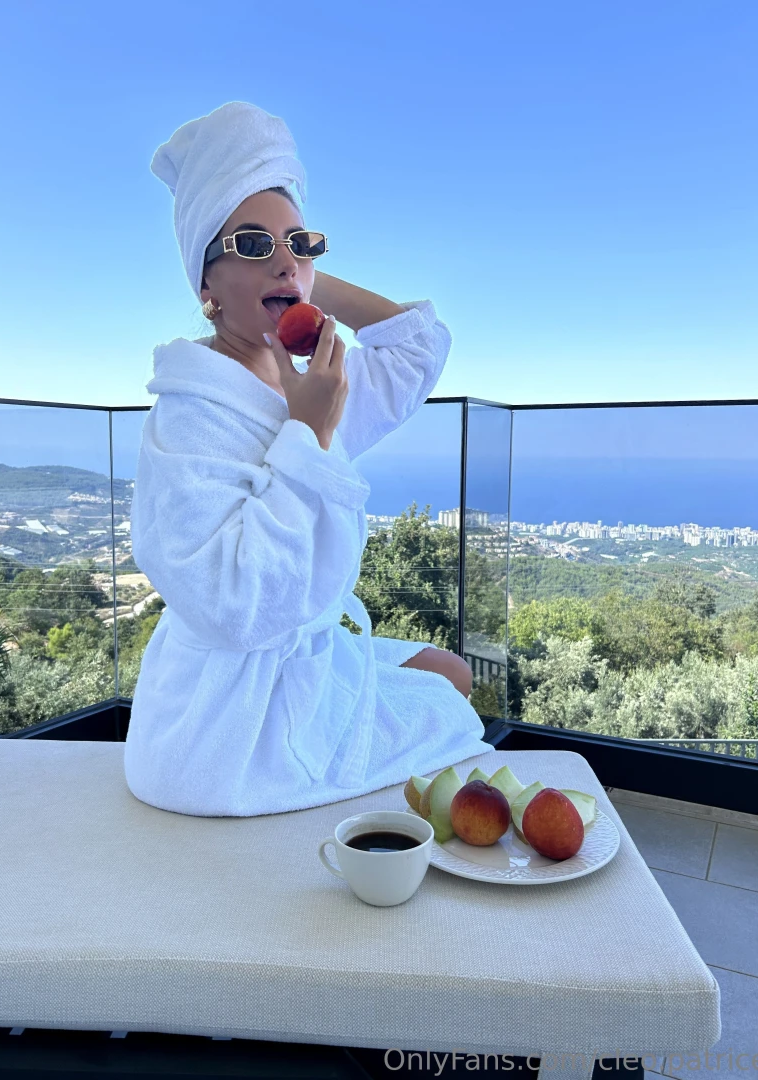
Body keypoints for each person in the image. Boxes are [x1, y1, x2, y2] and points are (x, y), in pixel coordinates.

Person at [123, 102, 489, 817]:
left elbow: (420, 346)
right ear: (205, 289)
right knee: (450, 712)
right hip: (230, 725)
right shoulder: (189, 414)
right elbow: (234, 608)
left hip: (305, 659)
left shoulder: (311, 380)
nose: (284, 257)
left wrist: (297, 278)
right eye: (250, 243)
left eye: (300, 242)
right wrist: (308, 432)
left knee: (452, 672)